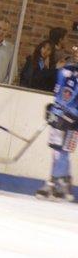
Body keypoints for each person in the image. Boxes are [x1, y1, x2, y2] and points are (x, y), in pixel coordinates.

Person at [36, 60, 78, 201]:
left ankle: (55, 182)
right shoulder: (66, 70)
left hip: (74, 122)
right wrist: (52, 110)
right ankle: (61, 181)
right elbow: (58, 95)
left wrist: (72, 116)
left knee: (63, 151)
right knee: (56, 151)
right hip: (58, 116)